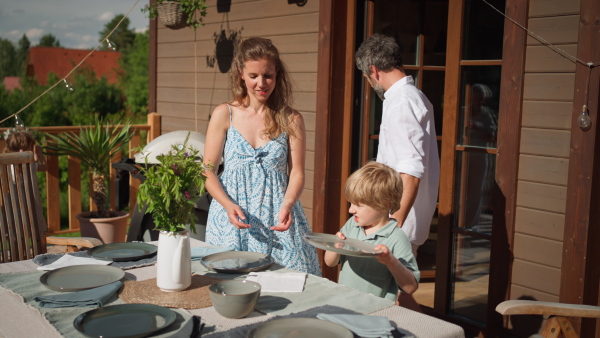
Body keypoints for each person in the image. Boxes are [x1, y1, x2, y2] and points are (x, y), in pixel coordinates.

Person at [203, 37, 321, 276]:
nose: (261, 83)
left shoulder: (291, 119)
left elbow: (297, 173)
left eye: (268, 75)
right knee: (230, 285)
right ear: (241, 75)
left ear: (277, 74)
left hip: (277, 219)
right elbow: (207, 171)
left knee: (290, 286)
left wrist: (287, 204)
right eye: (254, 76)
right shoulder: (224, 114)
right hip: (232, 219)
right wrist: (227, 205)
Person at [355, 34, 440, 257]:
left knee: (393, 289)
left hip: (398, 222)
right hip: (400, 219)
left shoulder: (402, 101)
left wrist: (393, 224)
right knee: (401, 288)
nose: (369, 82)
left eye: (367, 77)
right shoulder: (412, 96)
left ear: (373, 71)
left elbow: (410, 169)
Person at [324, 161, 419, 301]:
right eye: (351, 203)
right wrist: (335, 246)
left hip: (376, 312)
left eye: (358, 205)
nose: (351, 210)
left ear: (384, 204)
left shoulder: (396, 237)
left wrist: (390, 261)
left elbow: (410, 287)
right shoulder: (352, 225)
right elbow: (330, 263)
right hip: (345, 304)